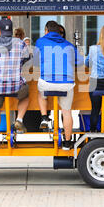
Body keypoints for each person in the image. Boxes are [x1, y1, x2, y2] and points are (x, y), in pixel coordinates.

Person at [33, 20, 84, 150]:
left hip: (47, 83)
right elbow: (80, 61)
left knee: (40, 92)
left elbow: (36, 61)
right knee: (67, 112)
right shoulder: (69, 45)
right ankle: (67, 143)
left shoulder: (40, 42)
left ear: (46, 31)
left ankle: (44, 117)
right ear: (59, 32)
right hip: (66, 84)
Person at [0, 18, 31, 147]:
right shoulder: (21, 43)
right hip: (15, 85)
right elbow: (27, 57)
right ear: (11, 30)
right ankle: (19, 119)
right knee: (26, 94)